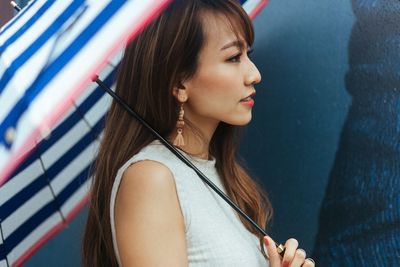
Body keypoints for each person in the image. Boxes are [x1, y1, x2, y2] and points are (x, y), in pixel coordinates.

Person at [82, 1, 315, 266]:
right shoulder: (151, 179)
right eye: (233, 58)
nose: (254, 74)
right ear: (179, 82)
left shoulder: (220, 175)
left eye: (247, 54)